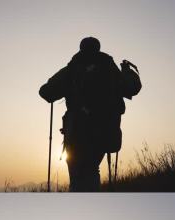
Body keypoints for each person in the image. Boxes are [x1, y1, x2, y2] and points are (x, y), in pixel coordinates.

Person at [39, 37, 141, 192]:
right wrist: (127, 71)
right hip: (102, 132)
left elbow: (46, 92)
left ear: (81, 48)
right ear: (98, 48)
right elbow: (132, 88)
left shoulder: (72, 69)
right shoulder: (109, 68)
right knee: (91, 170)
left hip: (76, 132)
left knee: (78, 175)